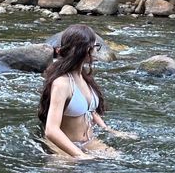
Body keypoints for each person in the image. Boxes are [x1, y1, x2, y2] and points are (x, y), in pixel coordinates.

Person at [38, 23, 131, 160]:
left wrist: (109, 130)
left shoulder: (83, 77)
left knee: (120, 160)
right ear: (86, 49)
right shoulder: (62, 84)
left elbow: (89, 110)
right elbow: (51, 130)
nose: (95, 51)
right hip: (64, 146)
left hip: (88, 142)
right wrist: (80, 155)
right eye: (95, 47)